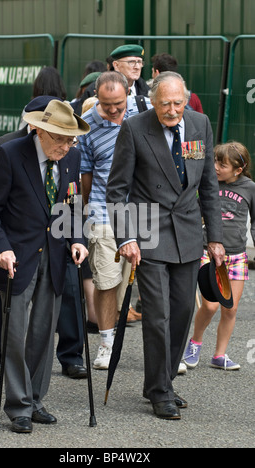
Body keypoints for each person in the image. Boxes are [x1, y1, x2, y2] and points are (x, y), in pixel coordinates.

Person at [106, 71, 225, 420]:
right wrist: (126, 237)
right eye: (164, 104)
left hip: (188, 233)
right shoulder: (134, 127)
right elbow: (116, 191)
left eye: (178, 103)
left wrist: (215, 238)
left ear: (186, 100)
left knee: (182, 314)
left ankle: (162, 381)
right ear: (152, 101)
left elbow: (208, 185)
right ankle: (160, 391)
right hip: (149, 233)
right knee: (157, 316)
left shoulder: (200, 124)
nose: (172, 111)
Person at [0, 99, 89, 433]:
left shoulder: (71, 157)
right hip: (16, 257)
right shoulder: (9, 154)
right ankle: (18, 406)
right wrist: (0, 249)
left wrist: (78, 240)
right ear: (40, 130)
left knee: (43, 332)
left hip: (54, 257)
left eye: (71, 140)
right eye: (60, 139)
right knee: (14, 334)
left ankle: (36, 398)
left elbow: (71, 206)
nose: (66, 146)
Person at [78, 71, 152, 370]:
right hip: (103, 211)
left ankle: (160, 352)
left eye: (119, 104)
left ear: (128, 95)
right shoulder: (87, 126)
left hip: (144, 210)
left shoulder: (144, 111)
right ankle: (107, 344)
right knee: (107, 281)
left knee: (150, 283)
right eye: (107, 104)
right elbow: (86, 176)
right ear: (96, 96)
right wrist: (88, 214)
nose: (113, 111)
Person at [184, 142, 255, 371]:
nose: (215, 167)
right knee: (211, 306)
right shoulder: (208, 183)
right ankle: (195, 343)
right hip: (208, 252)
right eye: (214, 161)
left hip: (237, 255)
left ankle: (219, 355)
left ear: (238, 169)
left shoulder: (249, 188)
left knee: (230, 308)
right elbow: (194, 212)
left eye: (222, 165)